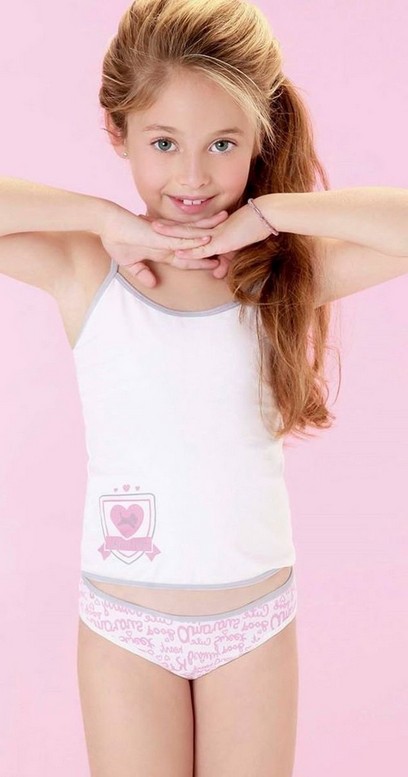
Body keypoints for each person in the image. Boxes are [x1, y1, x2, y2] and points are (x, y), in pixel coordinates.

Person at [1, 1, 407, 775]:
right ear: (117, 132)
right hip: (127, 626)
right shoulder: (88, 268)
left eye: (223, 143)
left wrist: (271, 214)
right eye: (164, 143)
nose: (192, 176)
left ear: (260, 137)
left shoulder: (281, 274)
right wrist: (99, 215)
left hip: (252, 626)